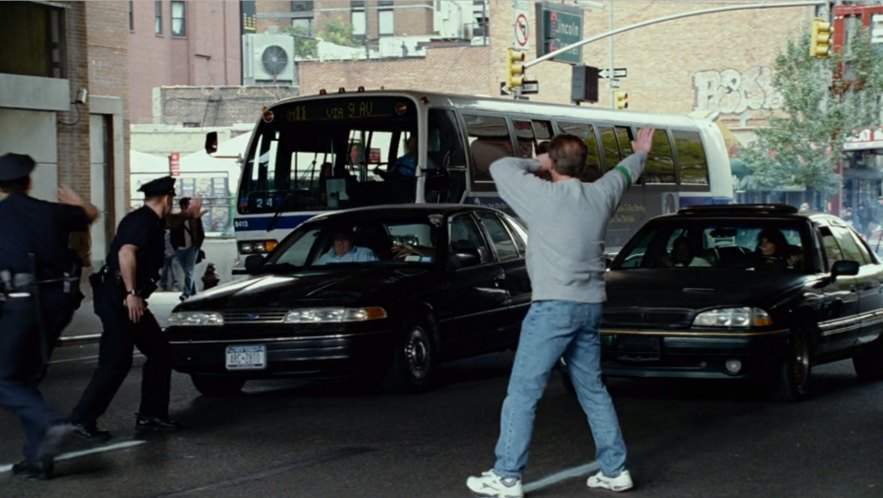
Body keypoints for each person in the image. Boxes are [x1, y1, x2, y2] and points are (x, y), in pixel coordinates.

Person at [465, 129, 655, 497]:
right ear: (583, 165)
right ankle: (615, 470)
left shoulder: (540, 195)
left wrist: (536, 162)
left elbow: (502, 166)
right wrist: (642, 152)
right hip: (590, 306)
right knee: (593, 390)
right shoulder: (601, 195)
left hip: (552, 307)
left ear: (552, 163)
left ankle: (506, 476)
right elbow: (625, 171)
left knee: (523, 392)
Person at [69, 176, 199, 441]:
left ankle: (151, 416)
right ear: (167, 198)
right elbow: (126, 253)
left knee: (160, 352)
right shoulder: (141, 222)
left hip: (129, 297)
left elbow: (170, 220)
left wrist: (187, 215)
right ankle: (81, 419)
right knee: (116, 360)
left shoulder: (154, 219)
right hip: (119, 297)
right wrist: (131, 293)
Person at [0, 153, 98, 479]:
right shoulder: (49, 212)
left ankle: (53, 423)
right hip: (56, 303)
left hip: (17, 304)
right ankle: (37, 458)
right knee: (26, 380)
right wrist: (75, 200)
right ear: (28, 182)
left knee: (4, 379)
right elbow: (91, 214)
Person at [168, 197, 205, 301]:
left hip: (192, 249)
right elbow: (172, 234)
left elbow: (201, 233)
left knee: (188, 271)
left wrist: (197, 246)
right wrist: (175, 247)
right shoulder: (177, 218)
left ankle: (186, 293)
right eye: (189, 205)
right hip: (180, 249)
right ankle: (193, 292)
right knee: (188, 271)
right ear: (184, 206)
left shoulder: (195, 218)